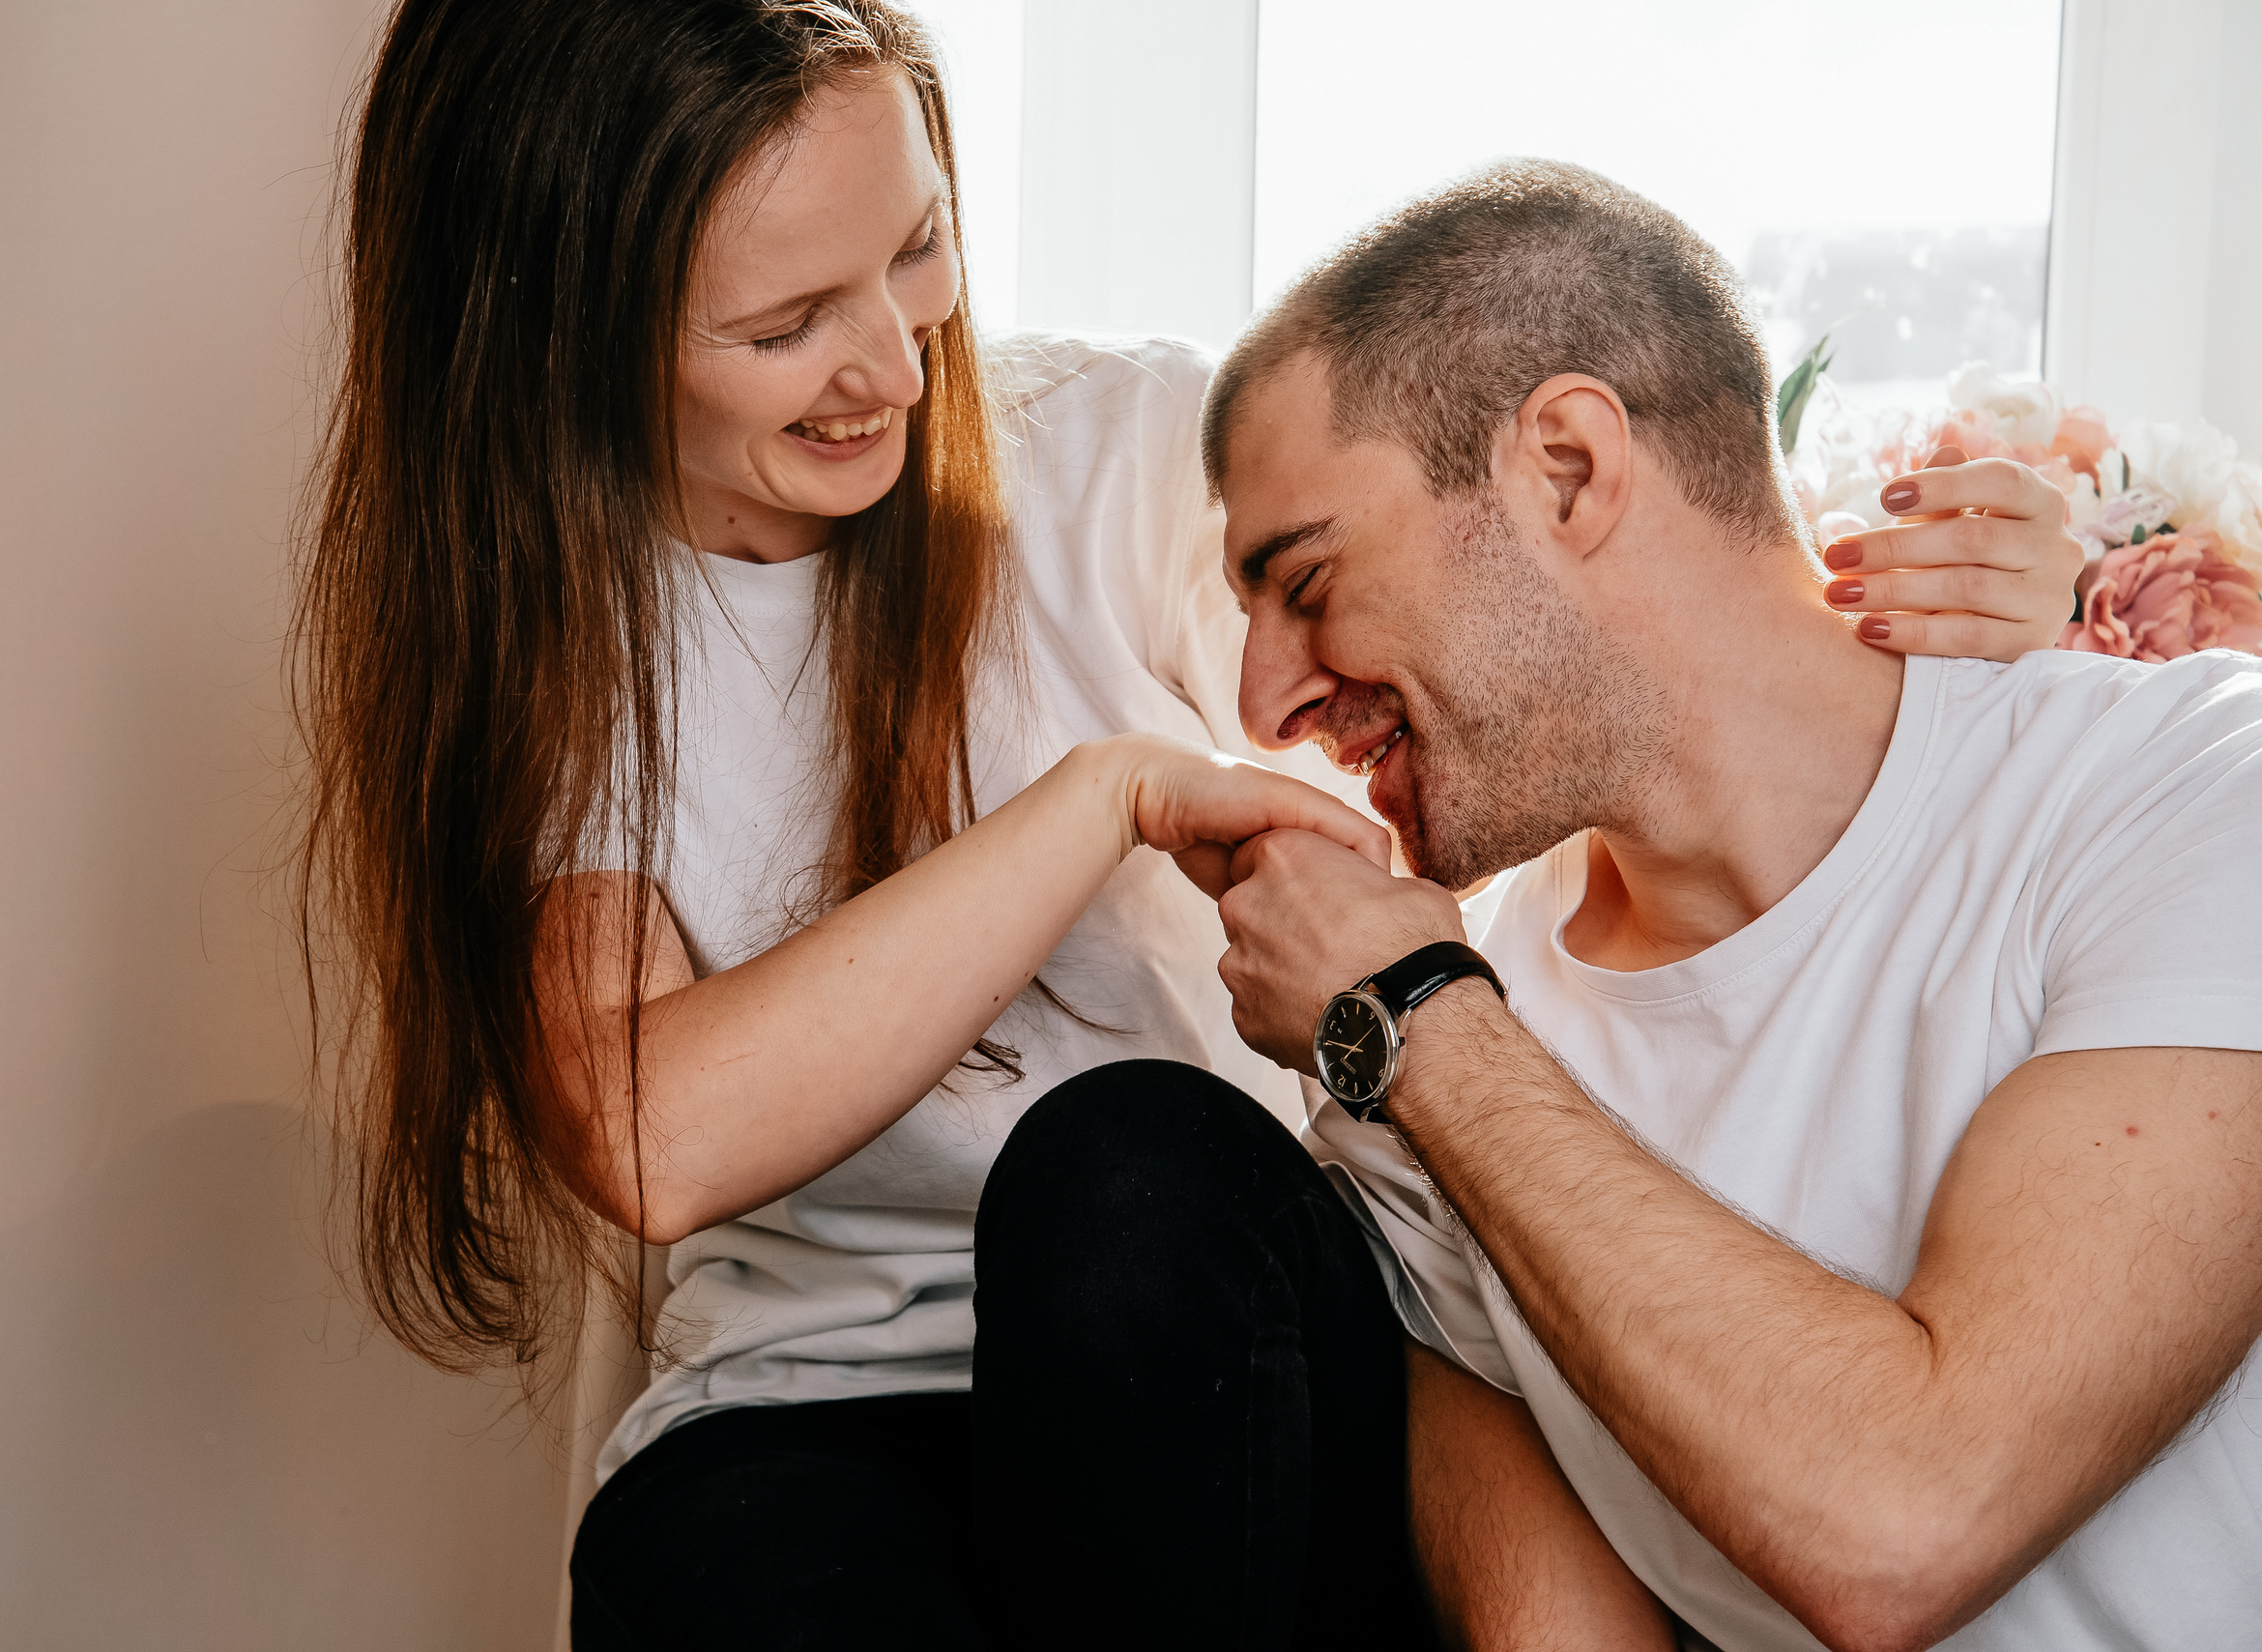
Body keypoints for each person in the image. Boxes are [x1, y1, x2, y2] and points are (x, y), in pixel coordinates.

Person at [292, 3, 2087, 1642]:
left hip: (1225, 1332)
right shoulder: (556, 642)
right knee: (730, 1587)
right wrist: (1105, 799)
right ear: (559, 325)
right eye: (784, 327)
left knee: (1125, 1164)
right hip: (819, 1402)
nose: (901, 375)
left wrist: (1964, 577)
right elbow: (649, 1130)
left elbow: (1545, 603)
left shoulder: (1115, 445)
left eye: (917, 252)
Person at [1200, 159, 2262, 1650]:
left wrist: (1420, 1023)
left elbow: (1913, 1517)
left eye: (1306, 579)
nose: (1267, 698)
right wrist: (1415, 1026)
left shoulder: (2198, 786)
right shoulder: (1427, 1033)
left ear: (1565, 467)